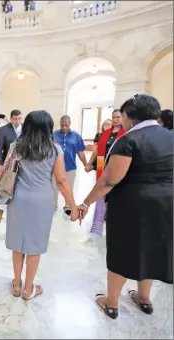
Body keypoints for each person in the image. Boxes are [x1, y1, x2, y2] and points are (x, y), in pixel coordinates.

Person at [78, 94, 173, 320]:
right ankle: (144, 297)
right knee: (151, 249)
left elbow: (110, 180)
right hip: (167, 203)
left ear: (130, 116)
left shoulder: (129, 140)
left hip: (133, 205)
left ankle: (111, 303)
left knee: (123, 251)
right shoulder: (170, 137)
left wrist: (85, 203)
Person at [0, 111, 80, 300]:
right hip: (42, 200)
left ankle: (17, 284)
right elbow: (61, 180)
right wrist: (73, 206)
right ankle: (29, 289)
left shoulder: (17, 146)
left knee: (18, 243)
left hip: (18, 198)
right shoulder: (55, 149)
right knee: (35, 245)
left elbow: (4, 170)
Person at [85, 111, 125, 237]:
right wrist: (90, 163)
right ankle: (97, 226)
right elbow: (98, 152)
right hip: (103, 167)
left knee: (116, 196)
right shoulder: (106, 134)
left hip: (118, 167)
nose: (115, 120)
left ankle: (114, 225)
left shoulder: (126, 133)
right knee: (101, 194)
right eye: (113, 117)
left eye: (118, 117)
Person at [53, 115, 87, 215]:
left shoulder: (76, 137)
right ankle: (53, 205)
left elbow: (80, 152)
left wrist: (86, 164)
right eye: (62, 125)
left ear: (70, 124)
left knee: (69, 187)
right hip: (55, 167)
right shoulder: (53, 135)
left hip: (70, 167)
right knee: (53, 187)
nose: (64, 127)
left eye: (66, 125)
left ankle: (68, 206)